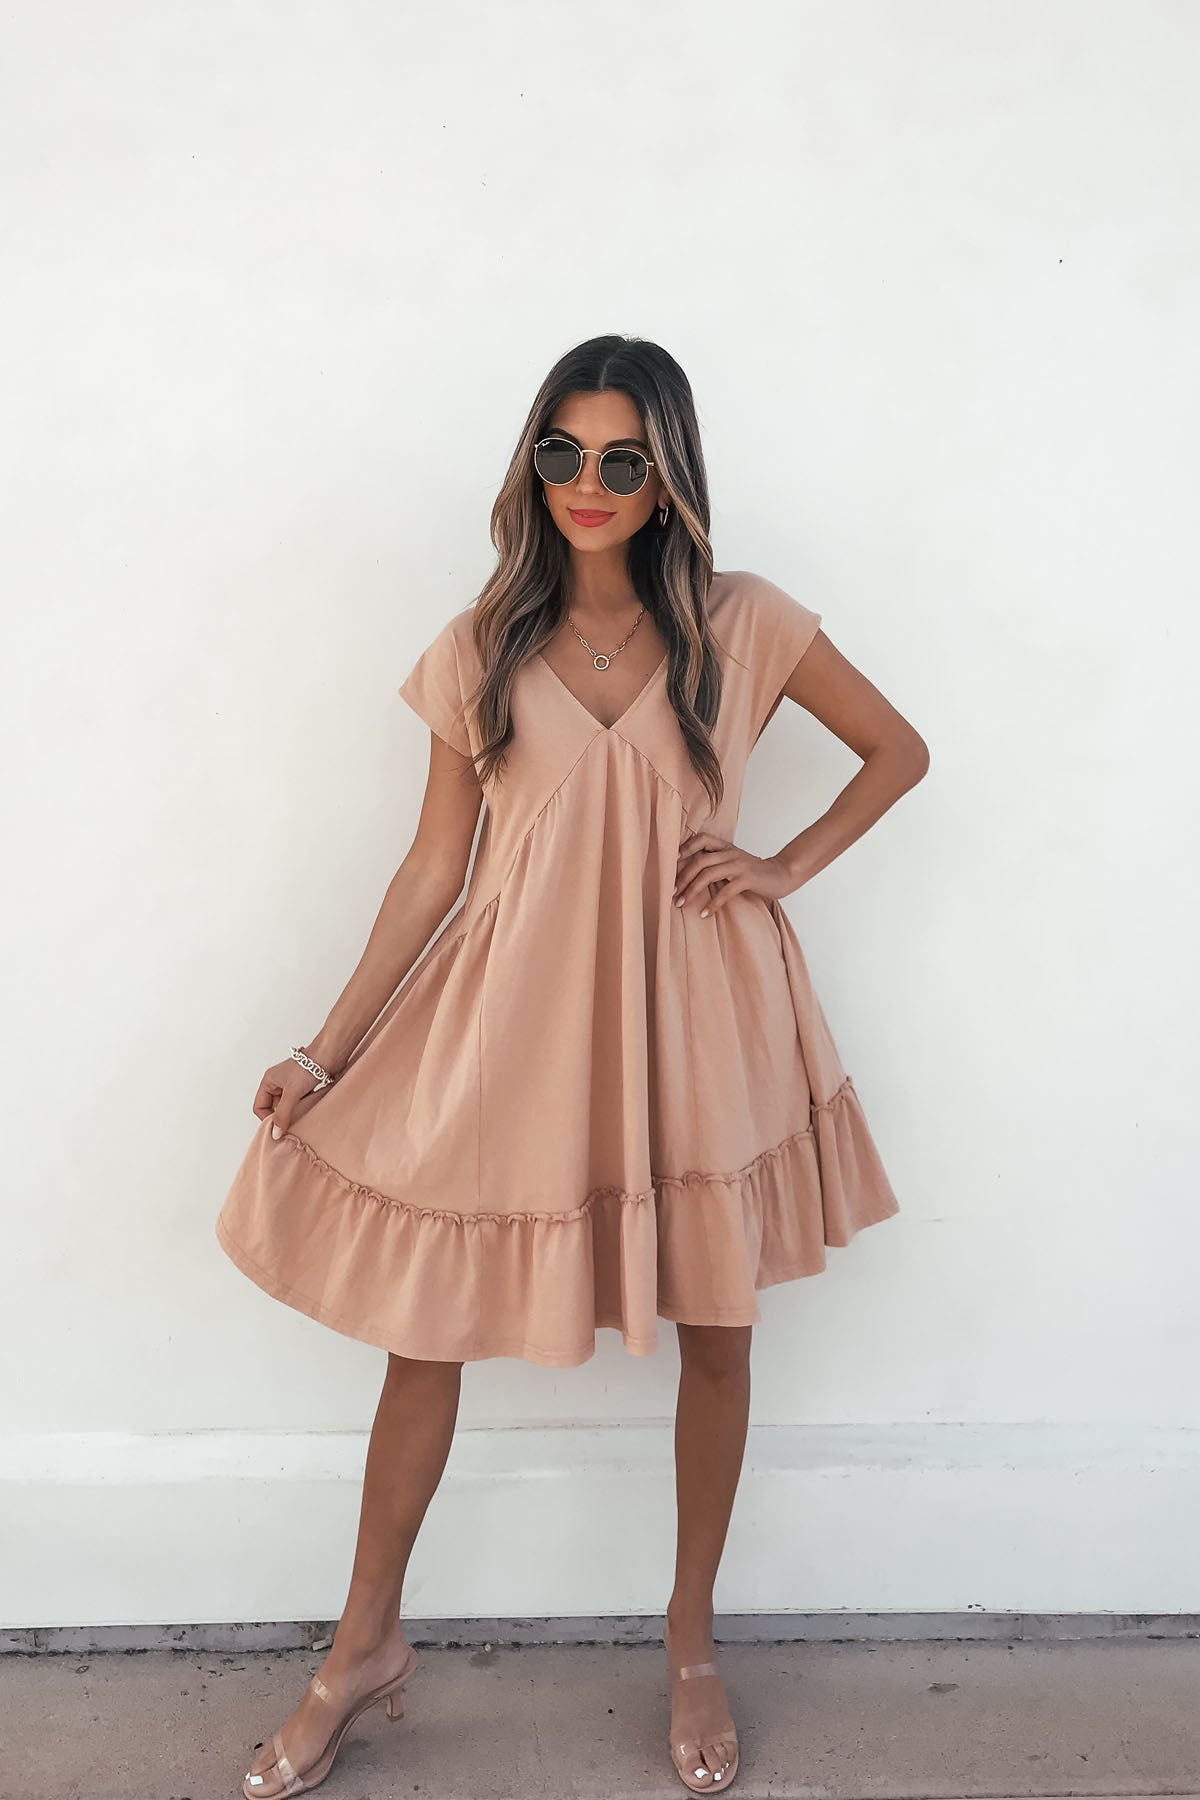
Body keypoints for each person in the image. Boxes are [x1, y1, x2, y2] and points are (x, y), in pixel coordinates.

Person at [216, 332, 929, 1797]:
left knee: (719, 1330)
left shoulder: (750, 622)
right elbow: (431, 870)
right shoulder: (482, 644)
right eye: (561, 454)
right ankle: (362, 1648)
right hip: (515, 1024)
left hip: (701, 1012)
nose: (588, 485)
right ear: (529, 468)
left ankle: (688, 1643)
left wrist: (781, 865)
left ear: (666, 474)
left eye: (621, 459)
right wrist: (322, 1048)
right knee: (429, 1329)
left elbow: (897, 750)